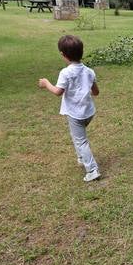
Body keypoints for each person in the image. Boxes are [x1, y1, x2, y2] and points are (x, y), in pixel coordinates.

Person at [38, 34, 101, 182]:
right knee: (78, 137)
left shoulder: (65, 72)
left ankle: (92, 170)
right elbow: (96, 92)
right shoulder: (89, 71)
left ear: (63, 54)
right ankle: (81, 157)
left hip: (75, 114)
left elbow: (58, 92)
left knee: (81, 141)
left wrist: (46, 83)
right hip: (89, 112)